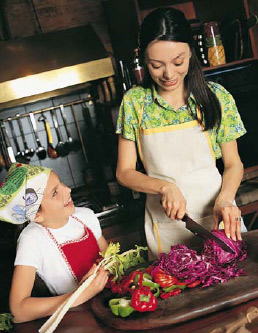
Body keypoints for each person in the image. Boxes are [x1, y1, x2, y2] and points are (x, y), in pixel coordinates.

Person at [116, 7, 247, 260]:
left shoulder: (216, 97)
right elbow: (124, 172)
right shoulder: (135, 103)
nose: (168, 74)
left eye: (178, 62)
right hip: (167, 231)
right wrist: (163, 187)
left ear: (191, 53)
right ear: (144, 59)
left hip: (220, 222)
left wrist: (225, 200)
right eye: (156, 65)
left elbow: (233, 164)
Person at [0, 162, 108, 323]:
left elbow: (111, 262)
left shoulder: (86, 216)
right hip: (77, 320)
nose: (68, 190)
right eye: (55, 193)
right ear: (36, 216)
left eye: (61, 183)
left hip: (109, 305)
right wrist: (79, 295)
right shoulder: (32, 239)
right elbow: (18, 310)